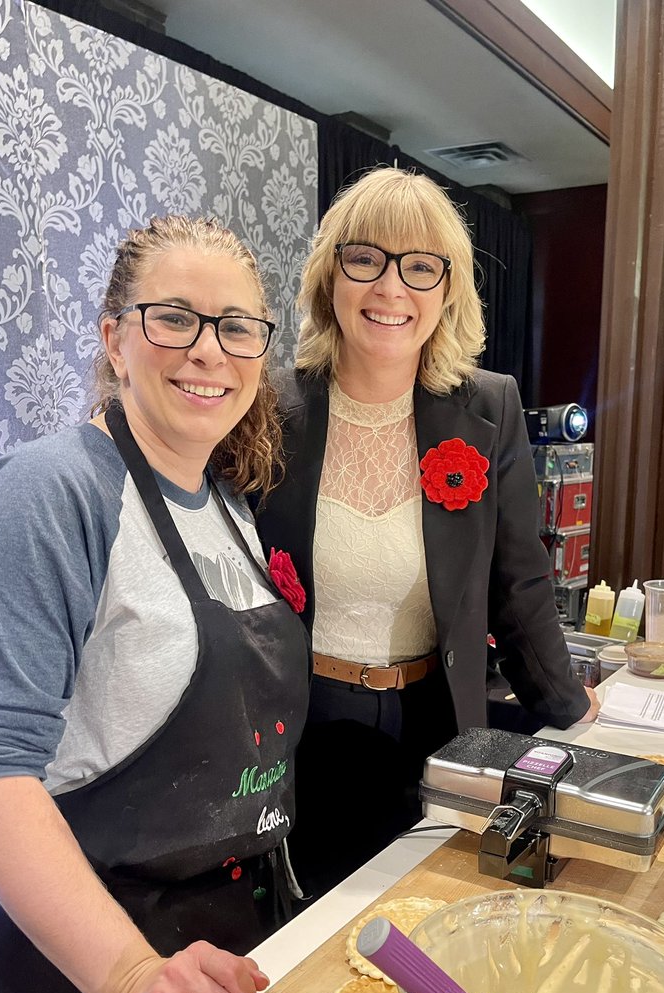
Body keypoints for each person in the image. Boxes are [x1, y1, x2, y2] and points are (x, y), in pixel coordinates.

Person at [0, 215, 312, 993]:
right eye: (173, 319)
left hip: (218, 946)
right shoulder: (45, 497)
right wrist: (126, 981)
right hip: (83, 975)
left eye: (236, 327)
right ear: (113, 339)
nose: (209, 352)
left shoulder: (227, 506)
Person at [255, 167, 599, 899]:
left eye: (419, 268)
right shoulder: (269, 409)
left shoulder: (489, 406)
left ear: (447, 290)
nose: (390, 289)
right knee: (314, 935)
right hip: (300, 730)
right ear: (330, 276)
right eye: (365, 259)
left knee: (432, 918)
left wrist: (566, 705)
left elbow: (520, 579)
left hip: (436, 722)